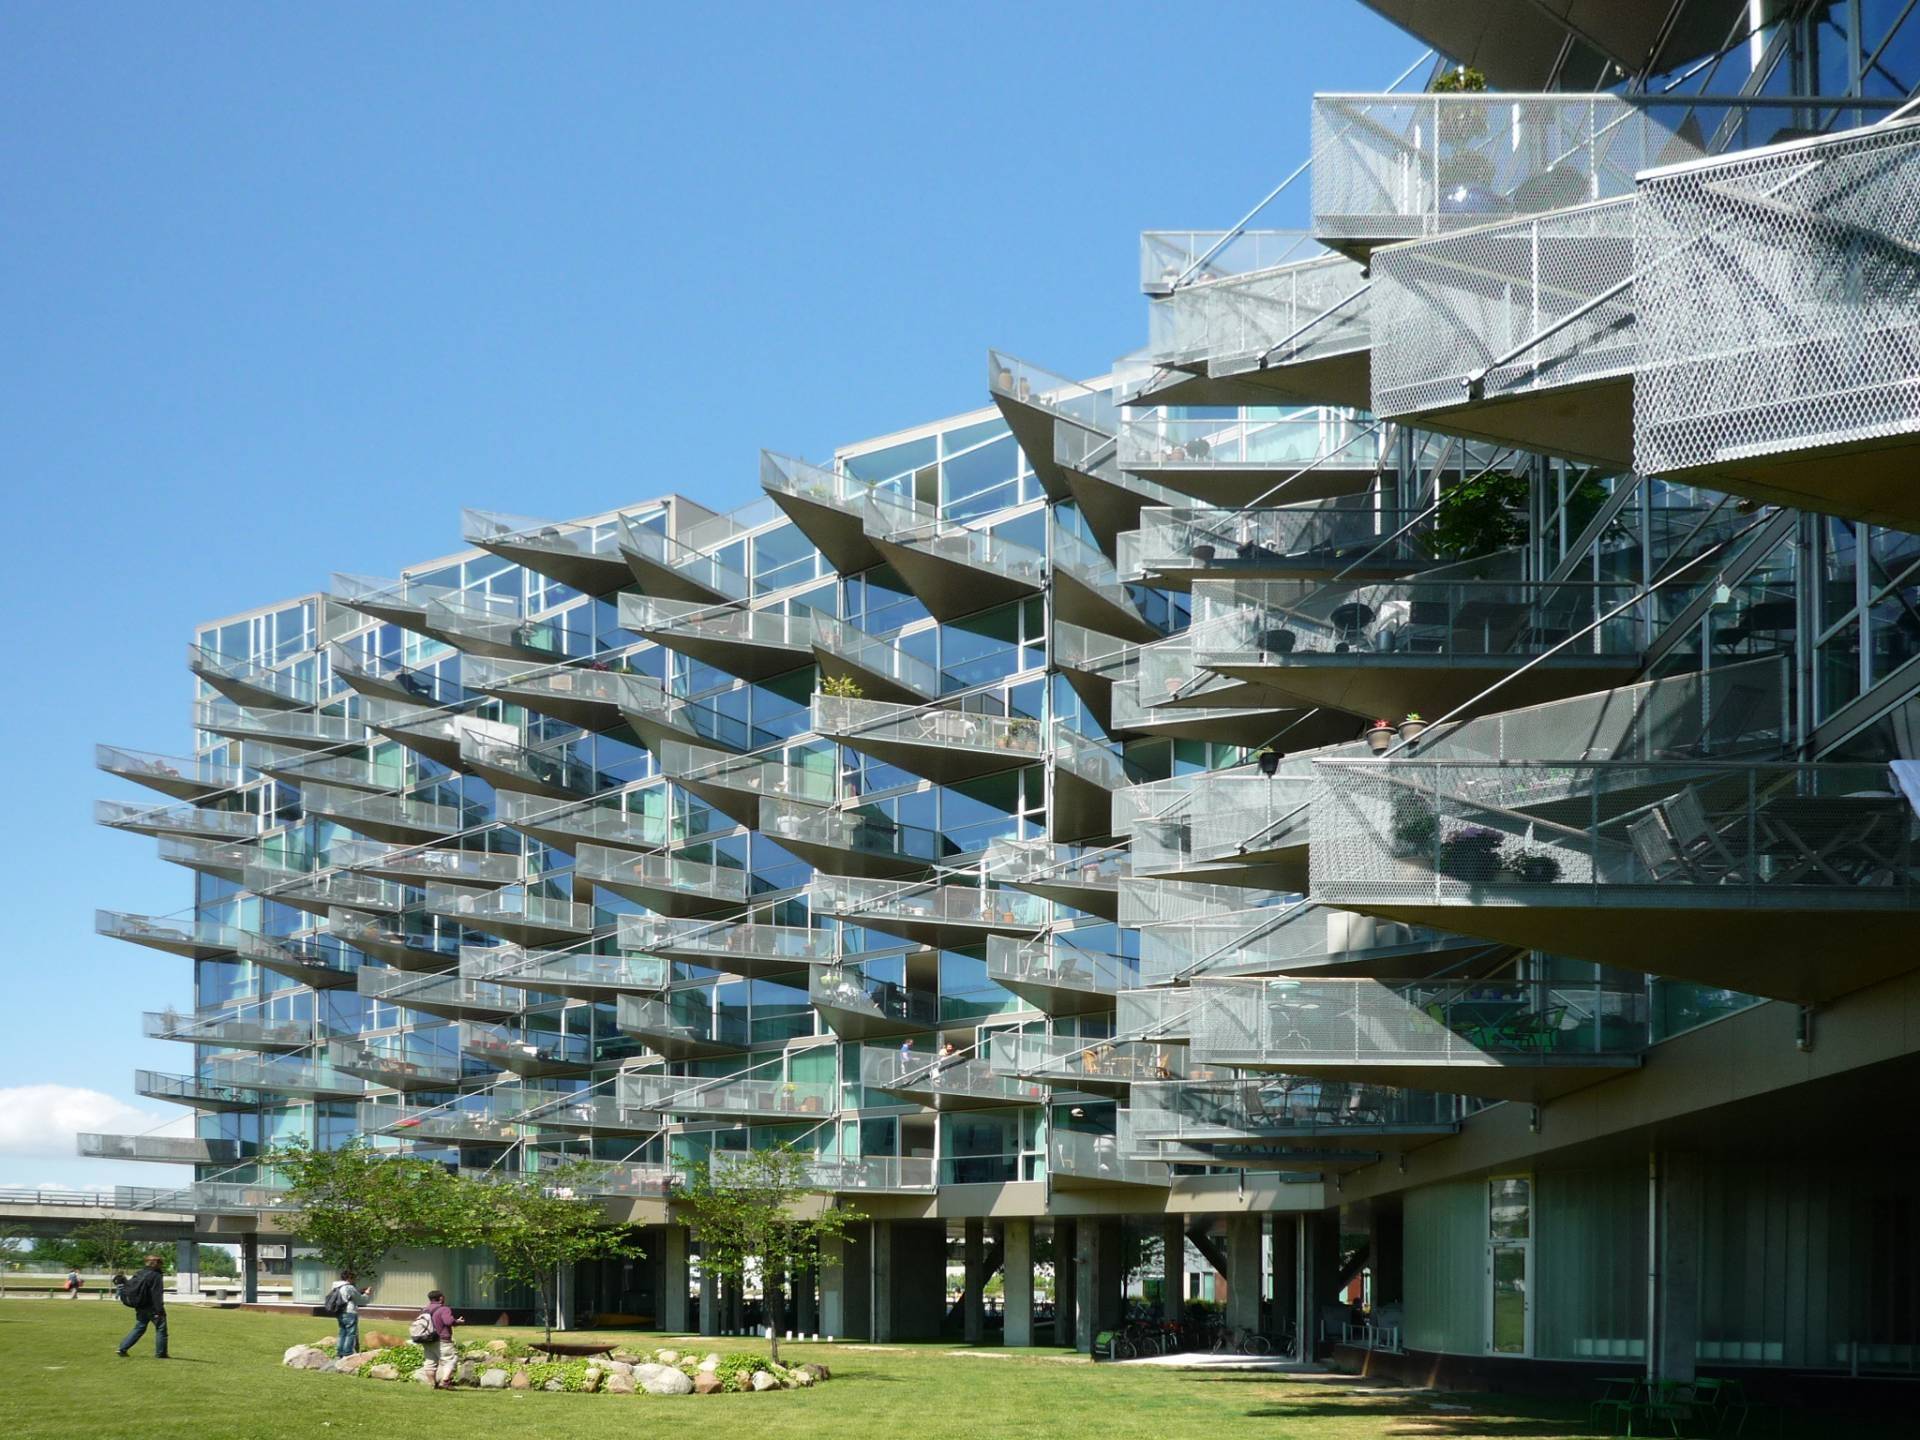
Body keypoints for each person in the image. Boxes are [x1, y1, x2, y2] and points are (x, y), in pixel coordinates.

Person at [116, 1255, 168, 1359]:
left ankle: (122, 1348)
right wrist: (160, 1310)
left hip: (140, 1306)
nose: (162, 1265)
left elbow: (131, 1287)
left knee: (139, 1327)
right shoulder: (156, 1275)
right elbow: (156, 1294)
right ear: (156, 1263)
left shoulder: (139, 1273)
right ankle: (161, 1353)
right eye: (161, 1263)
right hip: (152, 1307)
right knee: (161, 1329)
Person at [328, 1270, 373, 1357]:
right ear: (349, 1278)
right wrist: (367, 1293)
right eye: (353, 1278)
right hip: (349, 1312)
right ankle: (347, 1352)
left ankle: (340, 1352)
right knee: (351, 1333)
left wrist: (359, 1291)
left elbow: (348, 1296)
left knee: (342, 1332)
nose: (354, 1280)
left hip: (340, 1312)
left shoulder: (336, 1286)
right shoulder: (349, 1287)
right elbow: (361, 1300)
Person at [420, 1290, 460, 1389]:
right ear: (441, 1298)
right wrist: (458, 1321)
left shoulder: (425, 1310)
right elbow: (448, 1321)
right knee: (450, 1360)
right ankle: (445, 1381)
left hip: (427, 1339)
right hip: (442, 1339)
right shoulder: (444, 1309)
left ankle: (432, 1384)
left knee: (430, 1362)